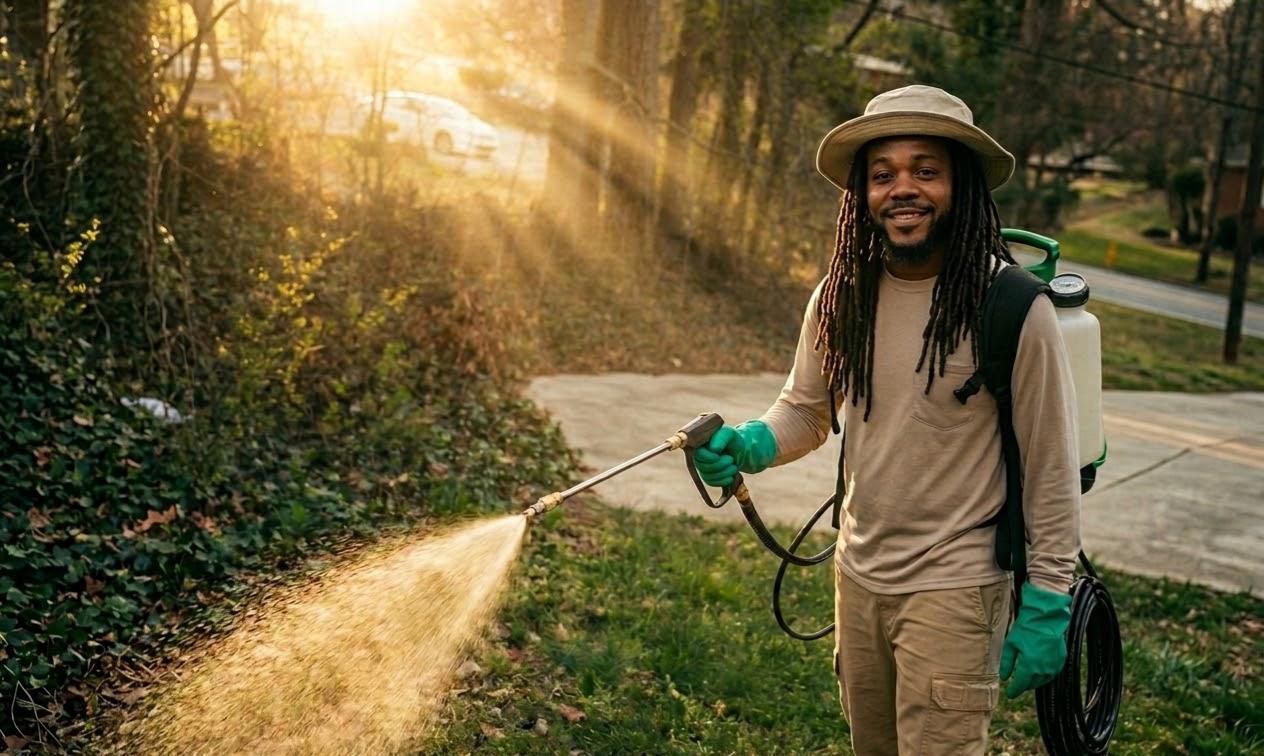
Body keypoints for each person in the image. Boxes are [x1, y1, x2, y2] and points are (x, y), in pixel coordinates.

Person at [694, 85, 1081, 755]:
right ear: (861, 195)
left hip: (956, 589)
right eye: (883, 174)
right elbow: (807, 412)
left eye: (925, 170)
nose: (904, 188)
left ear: (958, 185)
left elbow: (1050, 468)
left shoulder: (1015, 309)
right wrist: (750, 444)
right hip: (858, 577)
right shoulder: (841, 294)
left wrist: (1049, 600)